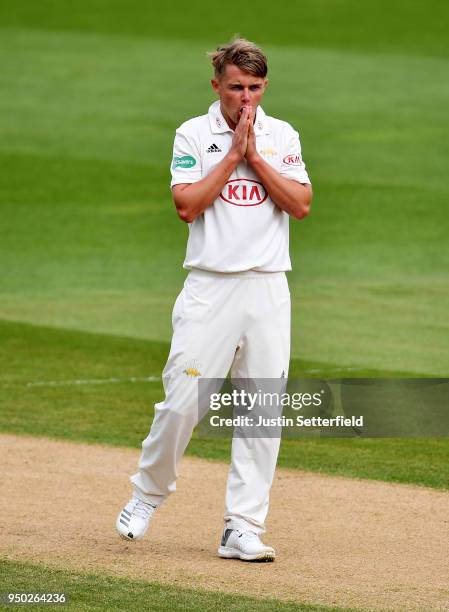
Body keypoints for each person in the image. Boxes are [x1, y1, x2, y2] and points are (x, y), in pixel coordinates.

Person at [116, 37, 312, 562]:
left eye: (253, 88)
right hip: (211, 286)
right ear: (216, 86)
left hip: (269, 287)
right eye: (234, 88)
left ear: (264, 86)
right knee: (184, 401)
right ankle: (146, 495)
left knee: (262, 411)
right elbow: (187, 206)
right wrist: (232, 156)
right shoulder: (192, 132)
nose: (244, 99)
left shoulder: (283, 134)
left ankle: (242, 527)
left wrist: (258, 158)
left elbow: (300, 205)